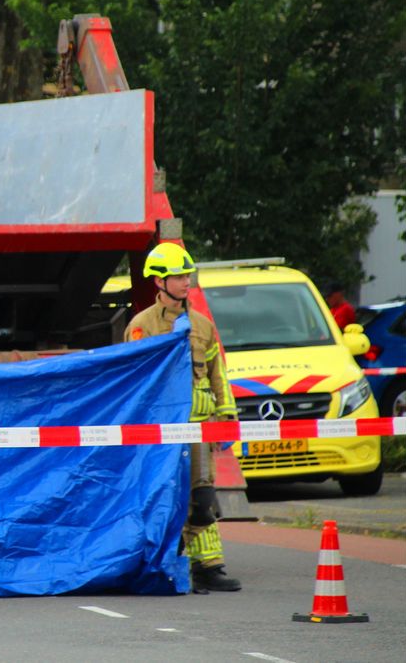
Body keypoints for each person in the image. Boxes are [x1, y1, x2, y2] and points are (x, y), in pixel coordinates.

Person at [125, 242, 242, 593]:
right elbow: (134, 379)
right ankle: (175, 561)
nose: (185, 281)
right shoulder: (141, 326)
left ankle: (205, 565)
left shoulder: (202, 325)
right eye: (178, 276)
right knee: (170, 496)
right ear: (159, 281)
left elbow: (217, 373)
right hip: (161, 433)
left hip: (200, 429)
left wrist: (227, 417)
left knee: (203, 503)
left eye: (187, 274)